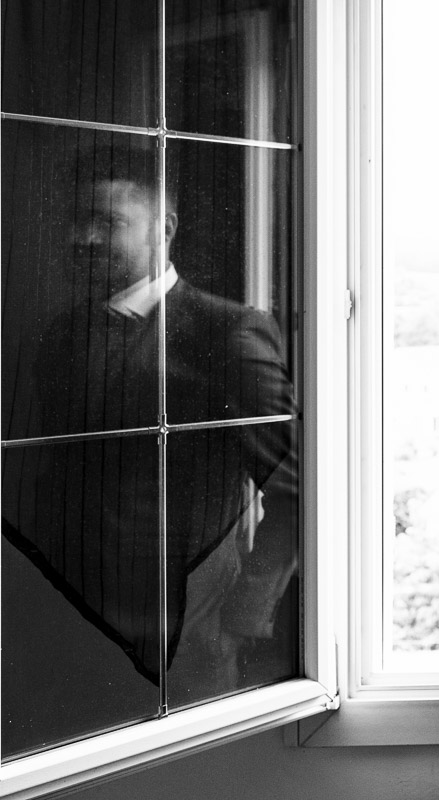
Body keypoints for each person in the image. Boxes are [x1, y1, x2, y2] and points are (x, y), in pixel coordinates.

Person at [2, 159, 298, 709]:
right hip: (62, 637)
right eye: (76, 221)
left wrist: (239, 621)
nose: (84, 238)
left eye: (106, 221)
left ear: (163, 228)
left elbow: (293, 490)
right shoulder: (62, 335)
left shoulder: (228, 332)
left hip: (182, 641)